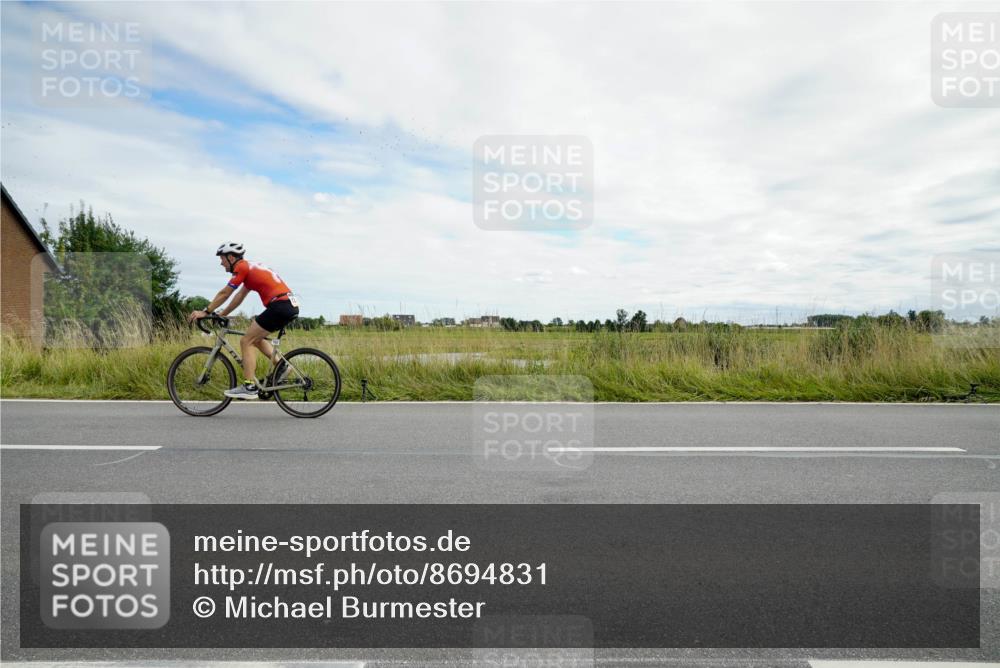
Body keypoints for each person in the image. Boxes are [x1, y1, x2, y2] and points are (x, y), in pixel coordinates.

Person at [187, 243, 299, 399]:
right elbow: (239, 297)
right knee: (255, 337)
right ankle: (282, 366)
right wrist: (223, 314)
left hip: (280, 305)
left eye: (222, 259)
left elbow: (225, 293)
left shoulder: (242, 267)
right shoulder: (250, 268)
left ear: (231, 257)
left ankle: (249, 386)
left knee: (246, 341)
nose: (221, 263)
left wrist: (206, 311)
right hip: (287, 305)